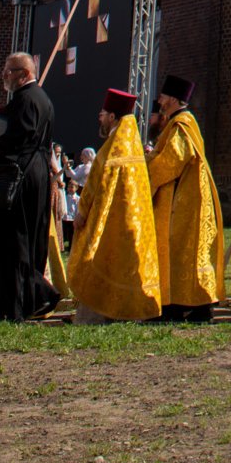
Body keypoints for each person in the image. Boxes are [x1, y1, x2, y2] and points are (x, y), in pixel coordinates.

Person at [0, 52, 60, 324]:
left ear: (25, 74)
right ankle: (16, 304)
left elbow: (15, 142)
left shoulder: (26, 100)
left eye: (9, 71)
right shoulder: (40, 99)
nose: (4, 75)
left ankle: (11, 308)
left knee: (11, 243)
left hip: (18, 179)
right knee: (23, 242)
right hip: (33, 174)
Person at [67, 89, 161, 323]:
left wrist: (82, 212)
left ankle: (98, 315)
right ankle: (128, 313)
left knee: (101, 262)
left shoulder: (111, 148)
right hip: (135, 225)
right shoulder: (134, 147)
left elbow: (96, 183)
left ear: (112, 117)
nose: (99, 118)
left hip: (110, 221)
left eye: (102, 114)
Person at [145, 74, 225, 321]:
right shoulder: (176, 123)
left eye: (164, 96)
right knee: (183, 254)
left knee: (182, 253)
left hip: (184, 202)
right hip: (182, 199)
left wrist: (148, 162)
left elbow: (173, 161)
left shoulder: (182, 124)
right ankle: (183, 304)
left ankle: (182, 306)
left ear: (174, 99)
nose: (160, 100)